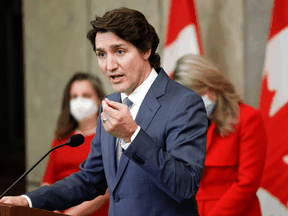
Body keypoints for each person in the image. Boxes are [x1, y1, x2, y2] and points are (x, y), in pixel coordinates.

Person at [0, 8, 207, 216]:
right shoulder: (110, 103)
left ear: (146, 50)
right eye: (101, 54)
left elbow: (185, 185)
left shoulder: (184, 103)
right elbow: (89, 180)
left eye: (119, 51)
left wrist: (132, 135)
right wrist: (28, 200)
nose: (109, 65)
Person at [172, 54, 267, 216]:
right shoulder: (182, 123)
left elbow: (247, 183)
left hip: (234, 211)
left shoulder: (248, 119)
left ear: (212, 87)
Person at [41, 72, 109, 215]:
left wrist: (70, 214)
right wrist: (50, 210)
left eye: (86, 96)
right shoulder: (61, 139)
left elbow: (106, 190)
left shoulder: (109, 136)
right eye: (74, 96)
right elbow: (47, 182)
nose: (79, 101)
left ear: (98, 100)